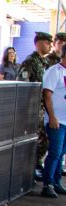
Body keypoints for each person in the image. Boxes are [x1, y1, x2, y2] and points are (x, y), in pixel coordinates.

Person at [19, 31, 56, 174]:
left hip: (43, 107)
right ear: (38, 43)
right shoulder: (30, 62)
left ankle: (36, 165)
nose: (50, 46)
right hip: (31, 107)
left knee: (44, 139)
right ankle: (30, 167)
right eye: (47, 42)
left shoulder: (46, 62)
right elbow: (23, 85)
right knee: (38, 138)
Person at [40, 47, 66, 197]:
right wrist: (52, 117)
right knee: (55, 152)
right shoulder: (54, 71)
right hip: (56, 121)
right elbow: (47, 95)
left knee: (61, 153)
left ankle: (56, 182)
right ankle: (47, 184)